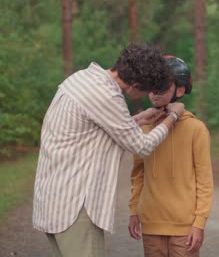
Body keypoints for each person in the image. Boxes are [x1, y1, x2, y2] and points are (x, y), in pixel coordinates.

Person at [33, 43, 186, 257]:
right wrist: (173, 116)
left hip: (55, 199)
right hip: (75, 206)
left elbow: (96, 130)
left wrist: (139, 119)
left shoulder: (83, 78)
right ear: (134, 84)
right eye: (146, 89)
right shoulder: (107, 96)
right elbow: (142, 147)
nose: (146, 95)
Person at [128, 55, 213, 257]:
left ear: (180, 90)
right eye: (152, 86)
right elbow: (138, 175)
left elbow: (204, 181)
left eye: (163, 86)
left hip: (185, 227)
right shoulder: (144, 127)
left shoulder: (196, 129)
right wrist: (133, 211)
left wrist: (199, 223)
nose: (156, 92)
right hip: (151, 224)